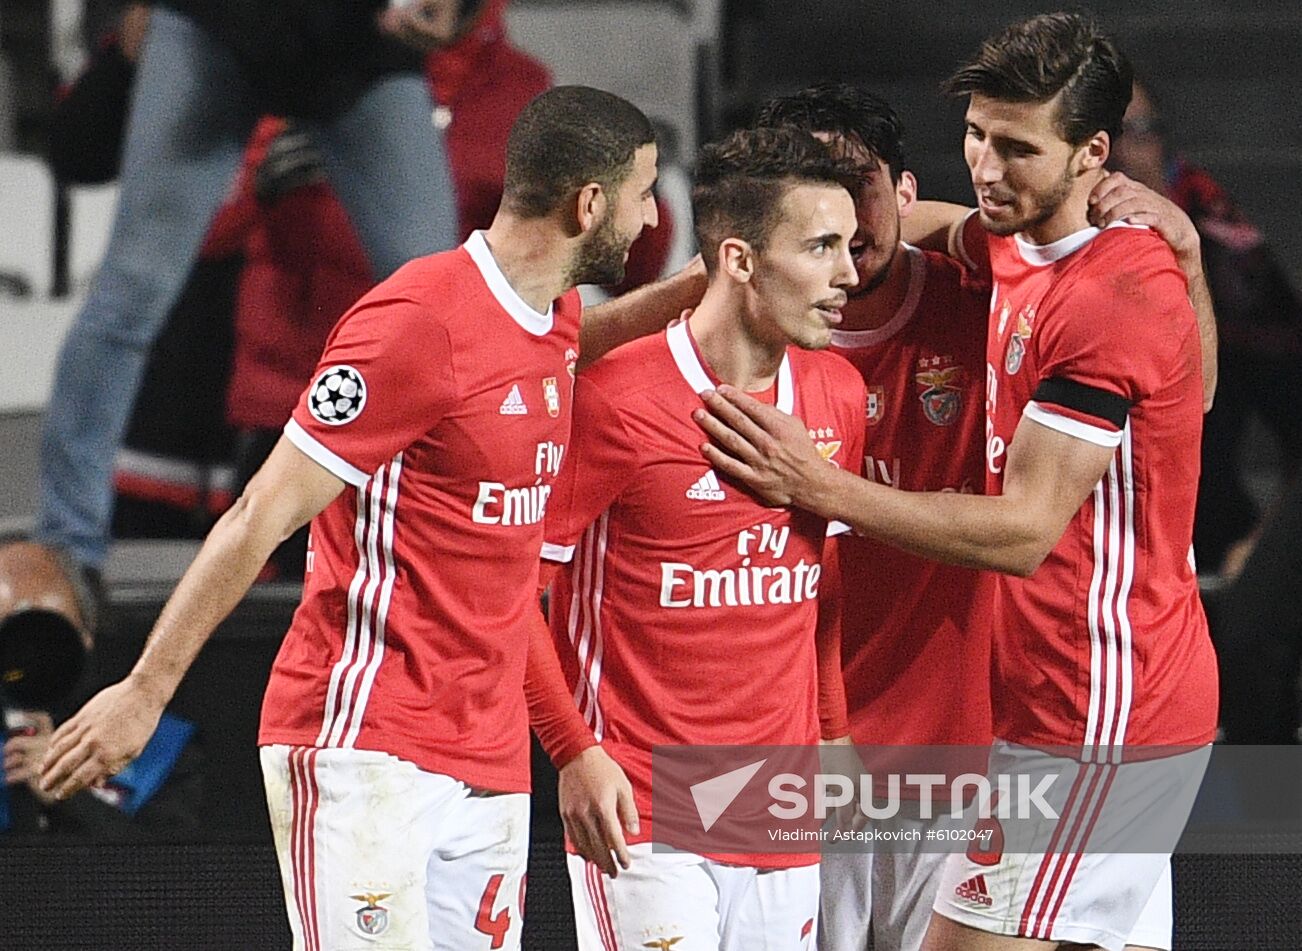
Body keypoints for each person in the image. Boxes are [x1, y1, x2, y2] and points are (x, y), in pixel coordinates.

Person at [39, 85, 659, 951]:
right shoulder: (418, 322)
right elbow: (261, 512)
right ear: (590, 205)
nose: (652, 215)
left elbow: (552, 351)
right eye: (643, 193)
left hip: (487, 756)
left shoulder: (547, 316)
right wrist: (145, 691)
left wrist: (707, 290)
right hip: (368, 743)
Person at [694, 14, 1217, 951]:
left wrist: (817, 483)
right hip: (1060, 706)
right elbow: (924, 226)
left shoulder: (1111, 292)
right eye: (977, 134)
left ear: (1094, 153)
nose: (986, 166)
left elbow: (1025, 533)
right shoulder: (1010, 243)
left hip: (1099, 714)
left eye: (1018, 147)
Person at [527, 125, 867, 949]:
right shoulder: (616, 401)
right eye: (822, 246)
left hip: (776, 796)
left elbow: (816, 586)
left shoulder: (838, 393)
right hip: (641, 796)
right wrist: (573, 751)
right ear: (741, 260)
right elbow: (511, 591)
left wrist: (833, 732)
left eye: (850, 246)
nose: (849, 274)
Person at [27, 0, 462, 605]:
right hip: (219, 22)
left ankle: (465, 535)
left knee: (445, 304)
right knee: (133, 289)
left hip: (357, 36)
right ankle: (66, 548)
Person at [747, 84, 995, 951]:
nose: (846, 216)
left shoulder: (983, 303)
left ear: (905, 188)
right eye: (816, 188)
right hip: (784, 760)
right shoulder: (735, 347)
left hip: (950, 751)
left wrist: (1184, 251)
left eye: (861, 184)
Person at [1111, 81, 1302, 576]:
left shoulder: (1220, 240)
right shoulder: (1031, 239)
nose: (1118, 155)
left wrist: (1265, 551)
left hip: (1199, 551)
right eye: (1100, 133)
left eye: (1140, 131)